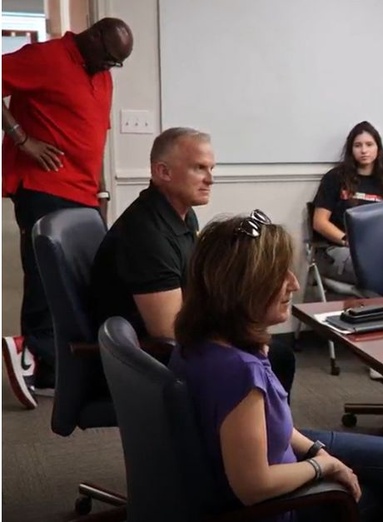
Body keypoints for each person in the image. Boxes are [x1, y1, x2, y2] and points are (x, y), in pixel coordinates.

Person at [170, 214, 383, 522]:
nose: (294, 284)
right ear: (245, 286)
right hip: (279, 508)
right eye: (280, 276)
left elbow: (270, 430)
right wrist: (324, 466)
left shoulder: (204, 340)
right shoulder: (238, 371)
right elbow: (253, 487)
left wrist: (315, 451)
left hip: (274, 458)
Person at [88, 128, 295, 393]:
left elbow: (198, 284)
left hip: (166, 344)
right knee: (277, 357)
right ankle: (256, 433)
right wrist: (239, 335)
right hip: (145, 360)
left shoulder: (182, 214)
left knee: (267, 348)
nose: (210, 179)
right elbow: (169, 332)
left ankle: (261, 431)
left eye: (211, 168)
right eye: (199, 168)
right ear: (163, 172)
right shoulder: (147, 235)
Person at [1, 18, 134, 409]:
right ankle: (32, 355)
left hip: (83, 191)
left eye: (117, 63)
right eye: (109, 58)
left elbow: (93, 134)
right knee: (46, 277)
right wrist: (21, 138)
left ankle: (59, 360)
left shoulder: (101, 72)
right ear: (93, 38)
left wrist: (101, 188)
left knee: (83, 280)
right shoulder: (46, 56)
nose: (111, 67)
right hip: (43, 188)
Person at [312, 121, 383, 286]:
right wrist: (348, 241)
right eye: (358, 145)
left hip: (378, 249)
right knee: (377, 269)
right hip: (339, 249)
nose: (364, 150)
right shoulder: (335, 178)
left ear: (377, 149)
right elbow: (319, 222)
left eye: (369, 144)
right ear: (351, 150)